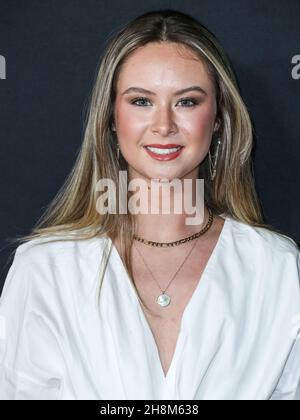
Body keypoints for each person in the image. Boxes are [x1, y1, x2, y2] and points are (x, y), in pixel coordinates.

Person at [0, 9, 299, 400]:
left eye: (187, 102)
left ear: (219, 117)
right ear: (110, 116)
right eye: (141, 101)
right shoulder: (45, 270)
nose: (163, 126)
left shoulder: (275, 268)